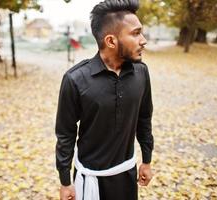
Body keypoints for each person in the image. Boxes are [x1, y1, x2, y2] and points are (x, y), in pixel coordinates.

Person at [55, 0, 154, 199]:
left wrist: (147, 160)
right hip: (90, 180)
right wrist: (66, 182)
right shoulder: (75, 79)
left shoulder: (141, 73)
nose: (143, 40)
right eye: (135, 33)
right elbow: (65, 135)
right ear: (111, 41)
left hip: (128, 175)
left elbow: (144, 119)